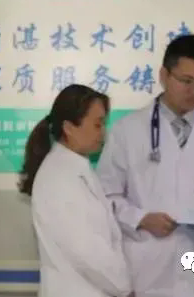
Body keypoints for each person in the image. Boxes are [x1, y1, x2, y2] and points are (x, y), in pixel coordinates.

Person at [96, 34, 194, 297]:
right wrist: (141, 219)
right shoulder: (127, 131)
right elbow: (105, 198)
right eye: (186, 81)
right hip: (149, 270)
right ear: (164, 75)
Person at [19, 84, 133, 297]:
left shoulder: (76, 168)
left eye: (104, 124)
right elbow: (87, 251)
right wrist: (125, 286)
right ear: (69, 128)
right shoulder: (59, 177)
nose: (103, 132)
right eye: (97, 124)